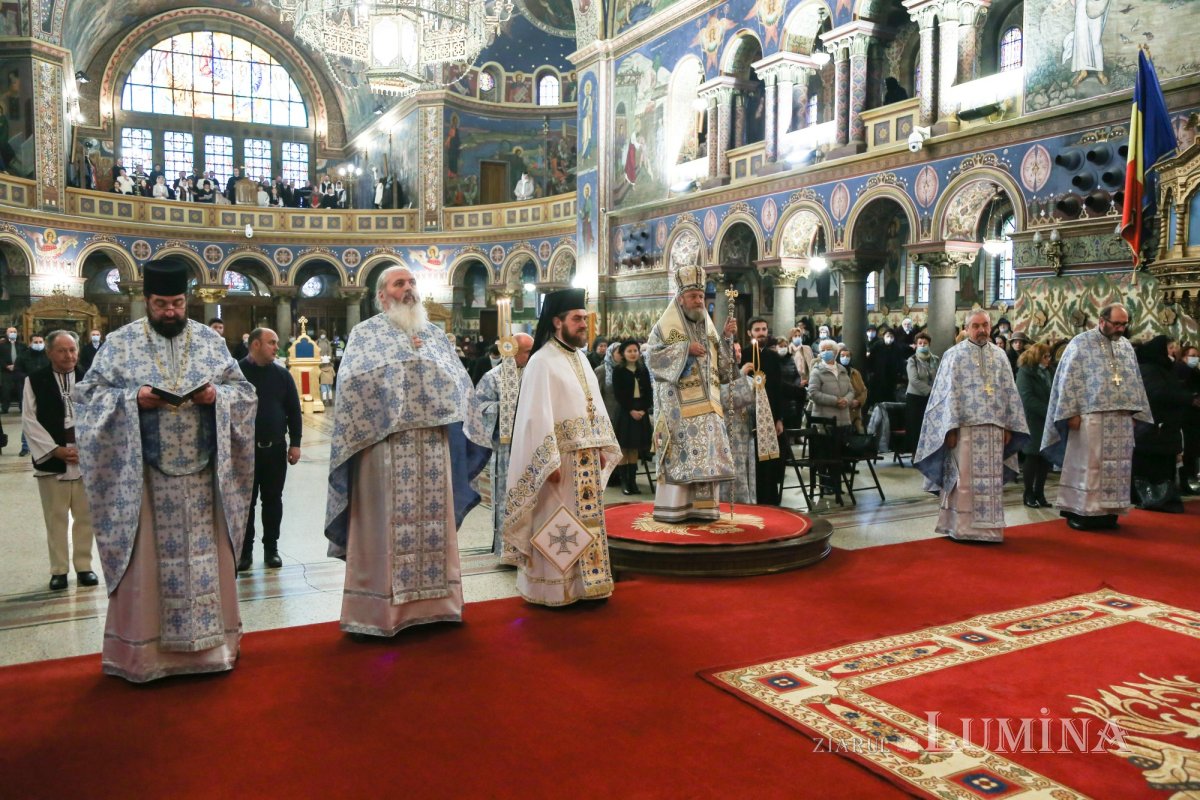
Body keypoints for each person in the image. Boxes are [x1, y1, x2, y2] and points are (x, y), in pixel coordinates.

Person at [73, 256, 257, 682]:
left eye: (177, 303)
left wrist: (218, 397)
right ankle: (147, 658)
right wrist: (131, 399)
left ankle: (212, 651)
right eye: (161, 304)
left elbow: (243, 392)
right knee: (150, 568)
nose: (170, 311)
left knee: (205, 564)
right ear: (146, 300)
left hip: (203, 479)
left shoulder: (211, 344)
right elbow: (86, 399)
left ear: (187, 300)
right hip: (146, 482)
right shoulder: (120, 343)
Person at [323, 264, 487, 637]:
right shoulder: (365, 335)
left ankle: (436, 605)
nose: (409, 289)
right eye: (400, 283)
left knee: (433, 526)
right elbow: (351, 387)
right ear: (382, 296)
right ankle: (382, 611)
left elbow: (460, 383)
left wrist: (428, 375)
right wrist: (401, 379)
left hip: (432, 447)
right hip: (384, 450)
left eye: (412, 282)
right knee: (385, 525)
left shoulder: (435, 336)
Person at [500, 288, 621, 606]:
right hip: (558, 463)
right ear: (557, 322)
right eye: (577, 318)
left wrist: (602, 445)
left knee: (586, 524)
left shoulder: (579, 358)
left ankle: (587, 586)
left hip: (587, 460)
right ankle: (553, 589)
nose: (584, 324)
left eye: (585, 318)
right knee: (559, 526)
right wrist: (546, 463)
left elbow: (593, 407)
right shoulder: (541, 361)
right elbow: (534, 417)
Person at [915, 311, 1029, 542]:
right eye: (976, 325)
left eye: (985, 325)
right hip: (964, 429)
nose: (982, 330)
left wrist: (1008, 425)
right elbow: (946, 395)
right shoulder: (953, 355)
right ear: (966, 328)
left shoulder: (1000, 356)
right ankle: (962, 528)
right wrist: (950, 428)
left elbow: (1009, 393)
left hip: (994, 430)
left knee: (990, 482)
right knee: (963, 481)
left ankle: (990, 529)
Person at [1041, 303, 1151, 531]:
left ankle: (1109, 512)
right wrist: (1070, 412)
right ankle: (1081, 513)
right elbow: (1068, 379)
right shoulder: (1080, 344)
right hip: (1089, 418)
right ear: (1102, 321)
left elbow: (1134, 381)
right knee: (1089, 467)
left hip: (1120, 420)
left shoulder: (1126, 347)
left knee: (1117, 469)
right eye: (1117, 323)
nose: (1121, 328)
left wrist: (1134, 412)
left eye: (1124, 324)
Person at [643, 265, 738, 522]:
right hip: (678, 411)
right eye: (694, 296)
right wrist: (685, 349)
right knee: (680, 456)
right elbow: (651, 358)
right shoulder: (663, 328)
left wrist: (727, 339)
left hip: (709, 409)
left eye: (701, 296)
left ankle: (703, 509)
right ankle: (674, 509)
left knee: (708, 456)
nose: (699, 301)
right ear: (681, 298)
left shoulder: (707, 328)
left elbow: (722, 369)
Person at [21, 330, 97, 591]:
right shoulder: (35, 380)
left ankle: (85, 566)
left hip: (86, 458)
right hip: (53, 457)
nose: (69, 355)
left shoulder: (91, 378)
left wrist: (88, 447)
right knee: (56, 518)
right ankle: (59, 570)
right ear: (50, 352)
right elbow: (29, 420)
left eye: (73, 349)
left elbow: (103, 415)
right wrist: (54, 450)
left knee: (86, 516)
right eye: (63, 350)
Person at [464, 332, 534, 556]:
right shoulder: (493, 377)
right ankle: (508, 550)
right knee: (508, 497)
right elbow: (478, 409)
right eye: (527, 352)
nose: (531, 356)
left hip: (533, 446)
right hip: (506, 449)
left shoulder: (537, 376)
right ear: (511, 351)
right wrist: (506, 408)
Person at [238, 328, 302, 571]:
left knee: (273, 500)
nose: (277, 347)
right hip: (244, 451)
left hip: (274, 450)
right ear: (255, 344)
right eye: (271, 343)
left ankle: (271, 549)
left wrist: (295, 442)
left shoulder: (282, 375)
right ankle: (245, 552)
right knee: (247, 502)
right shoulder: (237, 373)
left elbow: (294, 410)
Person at [1132, 335, 1198, 511]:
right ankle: (1153, 498)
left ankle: (1164, 497)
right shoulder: (1148, 369)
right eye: (1168, 349)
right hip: (1153, 429)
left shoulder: (1163, 368)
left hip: (1164, 429)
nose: (1173, 352)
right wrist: (1189, 399)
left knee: (1164, 468)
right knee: (1152, 469)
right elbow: (1157, 393)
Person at [743, 319, 785, 505]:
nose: (761, 333)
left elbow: (778, 389)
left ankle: (770, 500)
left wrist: (779, 419)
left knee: (770, 460)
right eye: (757, 330)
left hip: (771, 416)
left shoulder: (774, 357)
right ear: (749, 333)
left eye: (764, 329)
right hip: (749, 417)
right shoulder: (743, 355)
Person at [612, 340, 653, 495]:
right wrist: (631, 410)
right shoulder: (618, 370)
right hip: (625, 411)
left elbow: (649, 392)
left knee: (634, 447)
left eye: (635, 350)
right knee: (624, 447)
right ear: (623, 353)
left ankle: (633, 482)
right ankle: (624, 482)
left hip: (640, 410)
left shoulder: (643, 369)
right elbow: (618, 394)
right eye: (629, 351)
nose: (633, 353)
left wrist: (643, 409)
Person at [1016, 342, 1054, 508]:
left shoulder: (1048, 372)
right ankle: (1028, 493)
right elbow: (1027, 398)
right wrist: (1049, 412)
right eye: (1045, 356)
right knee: (1032, 456)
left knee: (1045, 457)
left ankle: (1040, 492)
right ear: (1037, 357)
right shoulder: (1025, 373)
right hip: (1033, 420)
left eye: (1049, 356)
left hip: (1047, 420)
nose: (1048, 360)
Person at [904, 331, 938, 457]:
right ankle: (915, 453)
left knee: (930, 425)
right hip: (915, 397)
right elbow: (914, 380)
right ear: (916, 345)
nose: (923, 345)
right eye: (920, 343)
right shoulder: (912, 360)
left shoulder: (935, 359)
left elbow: (939, 376)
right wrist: (931, 391)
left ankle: (929, 452)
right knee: (916, 426)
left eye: (925, 343)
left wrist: (936, 391)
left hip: (932, 398)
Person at [838, 345, 869, 433]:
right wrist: (847, 401)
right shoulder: (835, 372)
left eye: (848, 356)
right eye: (842, 356)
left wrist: (858, 401)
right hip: (840, 414)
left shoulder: (855, 373)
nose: (845, 358)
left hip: (855, 414)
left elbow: (864, 390)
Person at [2, 325, 28, 413]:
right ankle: (5, 408)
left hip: (19, 371)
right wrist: (6, 366)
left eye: (14, 332)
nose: (13, 333)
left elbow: (25, 357)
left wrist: (16, 366)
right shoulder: (2, 346)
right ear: (6, 333)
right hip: (6, 371)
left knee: (21, 390)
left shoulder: (22, 345)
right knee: (6, 390)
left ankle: (22, 408)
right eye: (11, 332)